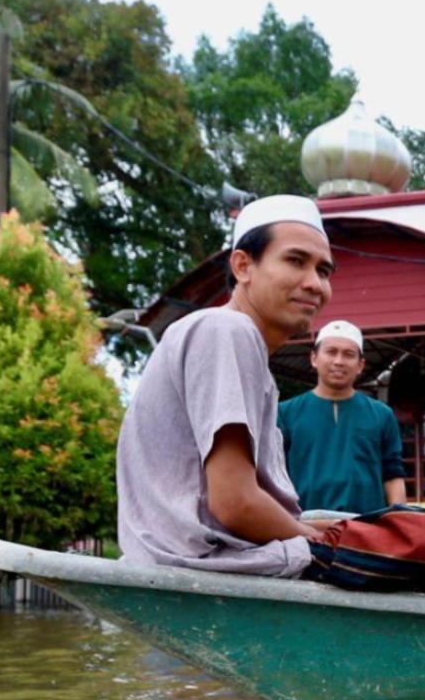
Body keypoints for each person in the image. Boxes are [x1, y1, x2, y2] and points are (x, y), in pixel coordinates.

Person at [115, 195, 332, 576]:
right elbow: (235, 504)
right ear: (243, 265)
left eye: (324, 270)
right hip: (203, 565)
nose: (315, 284)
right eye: (296, 261)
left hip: (192, 559)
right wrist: (317, 541)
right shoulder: (226, 330)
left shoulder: (233, 340)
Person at [276, 319, 406, 515]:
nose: (339, 361)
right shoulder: (285, 413)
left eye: (348, 354)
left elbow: (393, 474)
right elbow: (273, 477)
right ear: (314, 358)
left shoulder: (382, 415)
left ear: (360, 364)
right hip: (301, 529)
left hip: (366, 530)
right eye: (331, 352)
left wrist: (400, 522)